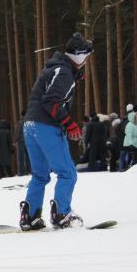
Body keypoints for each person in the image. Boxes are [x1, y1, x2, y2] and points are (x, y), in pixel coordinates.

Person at [19, 32, 92, 231]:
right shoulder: (64, 72)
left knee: (40, 175)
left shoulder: (57, 68)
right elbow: (51, 100)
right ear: (79, 56)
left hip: (30, 126)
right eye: (86, 56)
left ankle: (30, 216)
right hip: (45, 126)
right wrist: (69, 123)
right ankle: (62, 214)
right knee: (67, 173)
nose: (87, 61)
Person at [14, 111, 30, 176]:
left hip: (21, 141)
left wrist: (15, 140)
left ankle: (21, 172)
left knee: (21, 157)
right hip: (29, 141)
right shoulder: (29, 122)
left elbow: (17, 132)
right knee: (28, 156)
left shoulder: (20, 123)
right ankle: (29, 170)